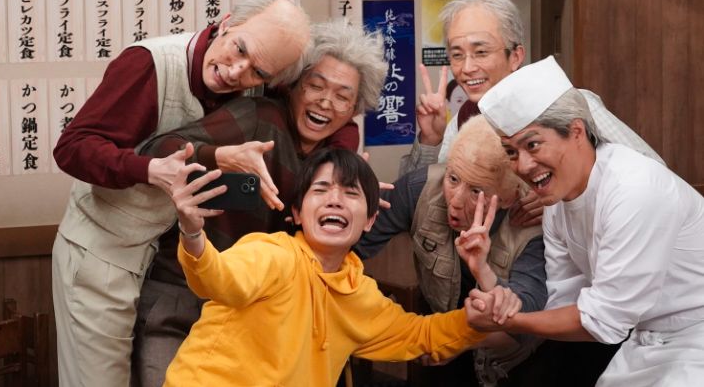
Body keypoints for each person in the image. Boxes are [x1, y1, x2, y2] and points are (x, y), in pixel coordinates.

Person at [51, 0, 311, 387]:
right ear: (227, 22)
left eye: (258, 72)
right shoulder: (149, 64)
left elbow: (324, 103)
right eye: (239, 48)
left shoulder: (258, 81)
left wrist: (345, 166)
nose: (236, 71)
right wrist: (149, 169)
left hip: (165, 263)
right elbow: (72, 147)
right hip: (102, 252)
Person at [131, 20, 389, 387]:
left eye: (342, 96)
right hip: (181, 298)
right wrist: (219, 155)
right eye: (315, 86)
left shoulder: (334, 158)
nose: (325, 102)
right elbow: (155, 150)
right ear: (292, 86)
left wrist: (355, 198)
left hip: (253, 313)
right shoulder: (259, 118)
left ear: (354, 110)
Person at [163, 147, 523, 386]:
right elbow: (219, 280)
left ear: (370, 220)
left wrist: (472, 321)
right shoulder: (272, 254)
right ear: (297, 213)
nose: (335, 200)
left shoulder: (359, 294)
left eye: (351, 193)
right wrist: (192, 232)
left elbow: (420, 335)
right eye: (320, 190)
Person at [468, 56, 704, 386]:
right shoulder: (558, 205)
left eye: (533, 145)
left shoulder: (634, 189)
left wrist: (512, 321)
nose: (522, 165)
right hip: (645, 342)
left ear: (577, 131)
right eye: (511, 152)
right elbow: (567, 302)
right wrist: (500, 299)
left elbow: (603, 321)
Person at [400, 0, 663, 227]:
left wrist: (560, 192)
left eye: (481, 52)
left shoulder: (568, 105)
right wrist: (430, 140)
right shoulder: (463, 120)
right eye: (457, 55)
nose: (467, 68)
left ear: (516, 56)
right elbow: (416, 204)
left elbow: (654, 176)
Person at [356, 115, 546, 386]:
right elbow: (353, 244)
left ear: (508, 197)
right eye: (453, 178)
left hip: (507, 362)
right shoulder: (421, 187)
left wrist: (482, 271)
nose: (455, 200)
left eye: (476, 191)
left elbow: (525, 320)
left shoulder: (533, 227)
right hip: (439, 334)